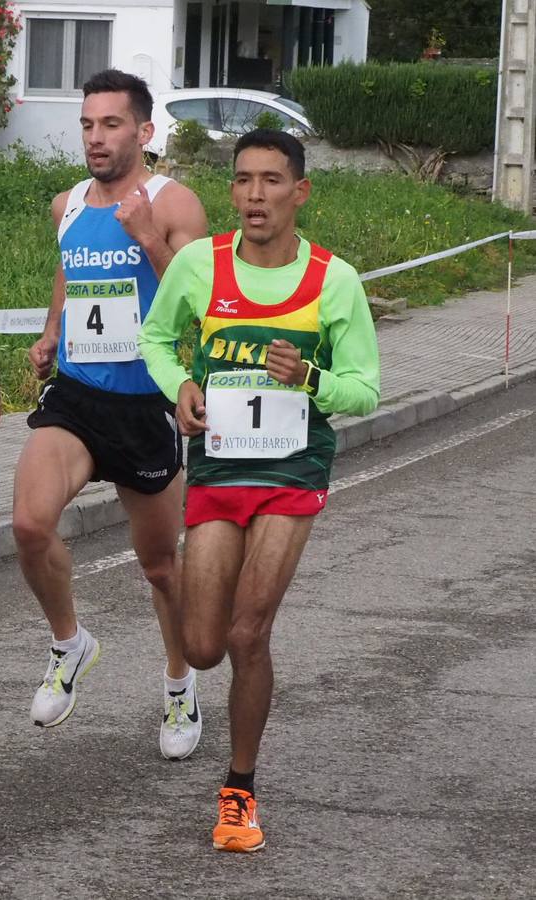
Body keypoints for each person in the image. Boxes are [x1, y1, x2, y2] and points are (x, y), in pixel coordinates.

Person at [138, 129, 380, 852]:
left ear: (299, 193)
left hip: (289, 472)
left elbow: (364, 390)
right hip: (218, 467)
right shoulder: (198, 265)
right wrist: (177, 385)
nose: (253, 195)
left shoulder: (333, 280)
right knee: (204, 644)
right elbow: (154, 339)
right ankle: (193, 683)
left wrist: (308, 379)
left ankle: (238, 790)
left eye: (271, 181)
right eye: (242, 180)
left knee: (248, 632)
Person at [10, 70, 209, 759]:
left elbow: (201, 303)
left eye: (111, 125)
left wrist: (150, 238)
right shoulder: (66, 204)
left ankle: (179, 684)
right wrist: (48, 333)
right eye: (87, 125)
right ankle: (70, 643)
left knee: (159, 566)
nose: (96, 138)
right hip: (76, 396)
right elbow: (70, 278)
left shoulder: (173, 201)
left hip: (144, 402)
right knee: (29, 524)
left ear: (144, 133)